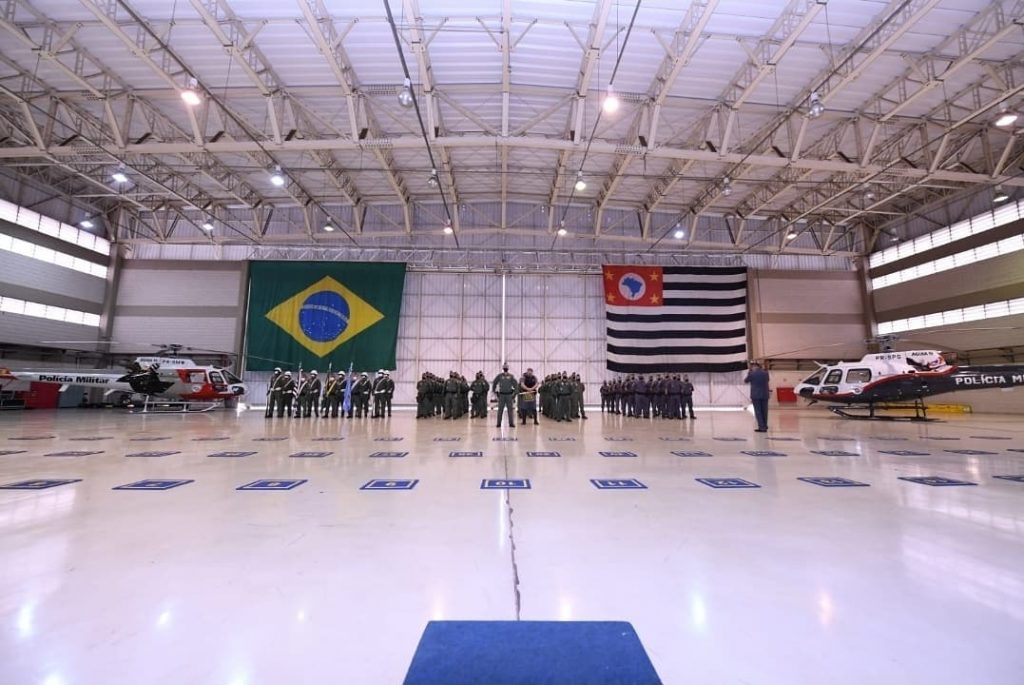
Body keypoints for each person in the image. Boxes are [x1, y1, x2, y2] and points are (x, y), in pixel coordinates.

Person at [745, 361, 771, 432]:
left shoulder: (752, 373)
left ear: (754, 366)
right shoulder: (765, 373)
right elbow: (768, 380)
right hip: (765, 394)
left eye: (751, 367)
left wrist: (749, 372)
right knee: (765, 411)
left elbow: (746, 381)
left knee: (758, 411)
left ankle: (762, 427)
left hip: (756, 395)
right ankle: (765, 426)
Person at [492, 363, 517, 428]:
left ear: (508, 368)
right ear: (503, 368)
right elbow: (494, 382)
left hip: (509, 395)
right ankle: (498, 423)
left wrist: (514, 393)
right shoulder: (499, 376)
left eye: (506, 367)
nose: (505, 368)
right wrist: (494, 390)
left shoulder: (511, 376)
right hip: (501, 395)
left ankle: (511, 423)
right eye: (504, 367)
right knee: (500, 410)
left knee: (510, 410)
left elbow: (515, 384)